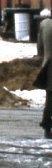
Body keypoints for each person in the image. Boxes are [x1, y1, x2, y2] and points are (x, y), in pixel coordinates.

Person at [36, 9, 52, 138]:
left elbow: (39, 47)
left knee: (50, 98)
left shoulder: (45, 25)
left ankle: (47, 125)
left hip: (49, 65)